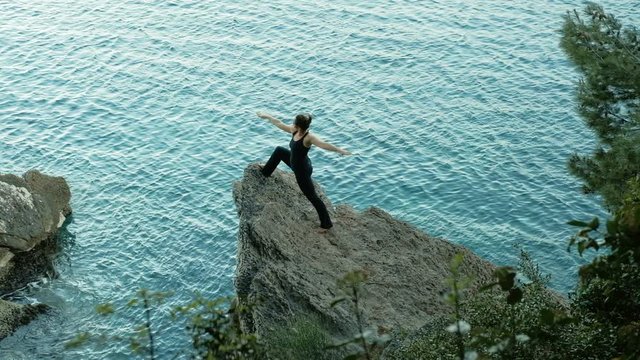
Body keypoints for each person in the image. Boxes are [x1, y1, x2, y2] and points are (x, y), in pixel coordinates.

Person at [256, 111, 351, 233]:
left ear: (298, 126)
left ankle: (326, 224)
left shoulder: (308, 138)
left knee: (312, 197)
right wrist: (267, 116)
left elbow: (324, 144)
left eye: (294, 123)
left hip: (302, 170)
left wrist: (340, 151)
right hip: (296, 162)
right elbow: (279, 123)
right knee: (279, 151)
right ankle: (266, 172)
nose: (292, 124)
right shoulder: (294, 130)